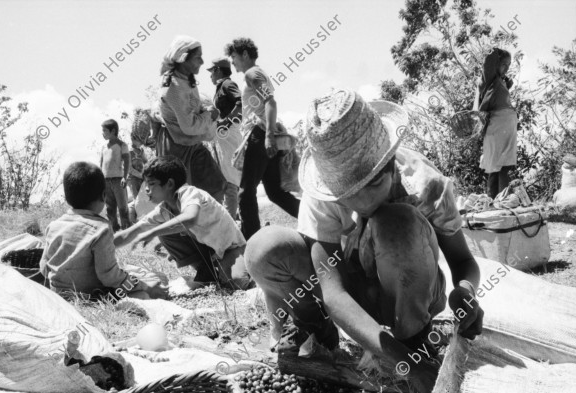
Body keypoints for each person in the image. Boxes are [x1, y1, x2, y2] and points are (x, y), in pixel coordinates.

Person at [244, 90, 484, 392]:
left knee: (395, 223)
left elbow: (463, 261)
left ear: (387, 167)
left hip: (409, 291)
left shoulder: (424, 184)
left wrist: (465, 290)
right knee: (263, 248)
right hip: (353, 289)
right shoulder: (324, 193)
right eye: (346, 196)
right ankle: (316, 324)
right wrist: (404, 363)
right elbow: (334, 292)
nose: (356, 205)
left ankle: (413, 337)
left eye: (368, 190)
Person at [114, 156, 252, 290]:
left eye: (151, 183)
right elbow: (132, 231)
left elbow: (189, 218)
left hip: (230, 247)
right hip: (210, 249)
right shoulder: (164, 209)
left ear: (169, 184)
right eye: (146, 184)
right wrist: (101, 245)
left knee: (237, 282)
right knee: (166, 233)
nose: (146, 189)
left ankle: (249, 260)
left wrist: (153, 232)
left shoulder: (189, 193)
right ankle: (207, 271)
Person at [39, 162, 168, 301]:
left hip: (58, 295)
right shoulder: (101, 229)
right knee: (145, 290)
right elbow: (109, 277)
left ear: (66, 197)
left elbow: (44, 269)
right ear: (103, 196)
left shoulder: (53, 226)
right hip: (93, 297)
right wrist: (145, 287)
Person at [225, 37, 300, 239]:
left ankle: (252, 242)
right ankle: (314, 221)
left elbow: (270, 102)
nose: (232, 62)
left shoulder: (252, 73)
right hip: (265, 134)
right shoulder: (257, 73)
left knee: (245, 193)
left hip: (259, 135)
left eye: (234, 57)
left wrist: (267, 136)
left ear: (245, 55)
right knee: (275, 192)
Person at [157, 35, 227, 204]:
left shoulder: (186, 80)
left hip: (191, 143)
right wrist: (210, 115)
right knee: (178, 199)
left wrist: (204, 110)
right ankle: (185, 228)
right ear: (182, 58)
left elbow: (191, 111)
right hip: (176, 148)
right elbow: (189, 126)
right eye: (197, 57)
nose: (202, 62)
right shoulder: (174, 87)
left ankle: (206, 226)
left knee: (216, 185)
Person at [477, 48, 518, 199]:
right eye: (503, 64)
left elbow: (498, 97)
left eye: (509, 65)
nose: (506, 68)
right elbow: (489, 59)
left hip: (504, 127)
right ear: (496, 64)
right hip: (498, 126)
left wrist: (507, 85)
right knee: (502, 164)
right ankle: (502, 200)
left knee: (496, 165)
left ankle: (494, 201)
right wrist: (494, 50)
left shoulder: (500, 81)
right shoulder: (490, 77)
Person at [207, 57, 243, 219]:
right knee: (227, 178)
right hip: (223, 136)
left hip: (230, 133)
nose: (210, 76)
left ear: (218, 70)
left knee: (231, 181)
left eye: (211, 71)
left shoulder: (228, 84)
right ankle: (235, 218)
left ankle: (231, 222)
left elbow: (241, 103)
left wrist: (226, 122)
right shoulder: (220, 88)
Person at [100, 119, 131, 231]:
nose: (102, 133)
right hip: (106, 181)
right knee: (109, 208)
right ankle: (114, 229)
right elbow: (101, 164)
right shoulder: (104, 147)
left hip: (118, 180)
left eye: (104, 131)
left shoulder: (122, 145)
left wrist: (125, 177)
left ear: (113, 131)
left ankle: (126, 228)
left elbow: (127, 161)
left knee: (122, 206)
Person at [127, 133, 148, 223]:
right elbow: (129, 169)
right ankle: (134, 220)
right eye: (135, 140)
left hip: (142, 178)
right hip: (133, 179)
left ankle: (143, 217)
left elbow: (146, 162)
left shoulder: (141, 151)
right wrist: (140, 175)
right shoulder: (129, 153)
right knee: (137, 198)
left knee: (144, 197)